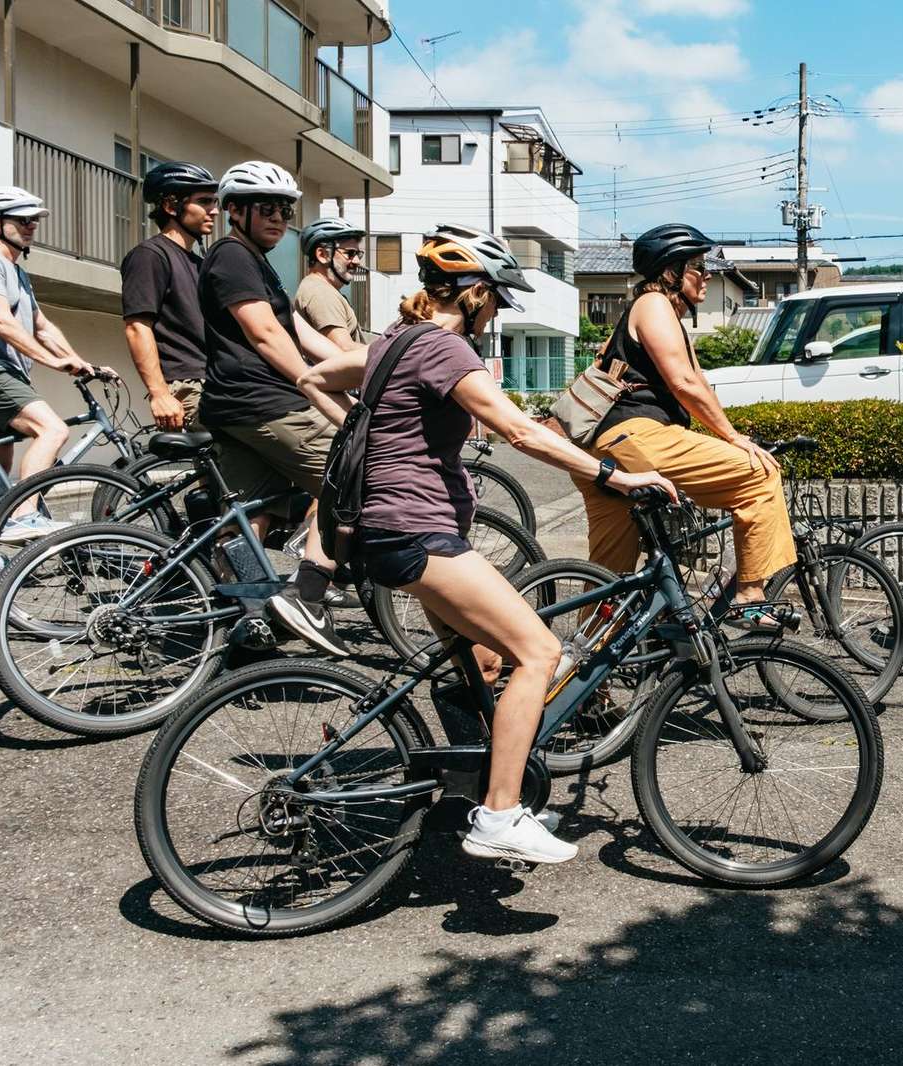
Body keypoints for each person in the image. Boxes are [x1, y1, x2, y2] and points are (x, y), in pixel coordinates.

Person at [296, 225, 676, 865]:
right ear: (472, 292)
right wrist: (615, 473)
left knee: (483, 663)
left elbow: (319, 379)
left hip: (389, 527)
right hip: (417, 532)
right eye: (497, 297)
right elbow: (520, 432)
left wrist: (373, 433)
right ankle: (498, 815)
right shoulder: (445, 351)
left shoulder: (396, 340)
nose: (498, 310)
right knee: (538, 650)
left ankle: (474, 784)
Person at [573, 222, 796, 624]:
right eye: (698, 266)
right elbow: (684, 382)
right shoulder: (654, 304)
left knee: (611, 577)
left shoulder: (653, 310)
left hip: (604, 451)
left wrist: (727, 430)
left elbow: (698, 383)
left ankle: (584, 676)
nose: (708, 274)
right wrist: (732, 437)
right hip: (636, 437)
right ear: (669, 271)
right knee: (759, 476)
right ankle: (748, 595)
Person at [195, 160, 353, 655]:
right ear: (234, 211)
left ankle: (248, 623)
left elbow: (298, 333)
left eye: (286, 210)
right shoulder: (231, 256)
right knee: (355, 475)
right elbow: (265, 335)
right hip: (264, 402)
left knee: (248, 515)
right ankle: (308, 595)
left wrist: (361, 368)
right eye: (267, 208)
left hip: (236, 407)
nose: (279, 219)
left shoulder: (255, 262)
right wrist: (315, 387)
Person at [0, 186, 113, 544]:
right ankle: (24, 517)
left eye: (34, 221)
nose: (32, 226)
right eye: (23, 220)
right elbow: (1, 322)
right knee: (52, 430)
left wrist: (82, 363)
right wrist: (55, 363)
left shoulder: (16, 271)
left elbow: (42, 326)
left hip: (2, 371)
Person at [121, 163, 218, 430]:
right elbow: (137, 327)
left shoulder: (200, 263)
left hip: (213, 381)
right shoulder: (150, 255)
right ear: (171, 206)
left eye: (215, 201)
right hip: (186, 384)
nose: (215, 210)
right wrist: (160, 394)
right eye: (204, 202)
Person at [295, 217, 368, 354]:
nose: (357, 261)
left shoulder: (324, 289)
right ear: (322, 255)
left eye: (358, 254)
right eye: (350, 253)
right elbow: (344, 348)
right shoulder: (320, 292)